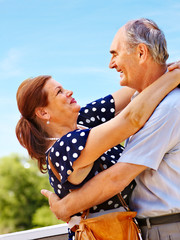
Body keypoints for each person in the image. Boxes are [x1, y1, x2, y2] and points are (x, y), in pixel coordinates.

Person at [41, 18, 180, 240]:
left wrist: (64, 208)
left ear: (141, 53)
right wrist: (171, 76)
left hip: (167, 227)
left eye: (114, 53)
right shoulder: (70, 138)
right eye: (59, 92)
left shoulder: (168, 107)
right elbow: (129, 117)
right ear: (43, 113)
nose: (110, 64)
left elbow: (117, 177)